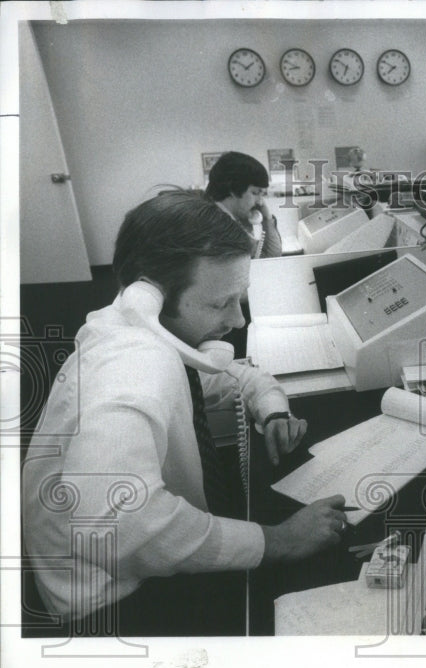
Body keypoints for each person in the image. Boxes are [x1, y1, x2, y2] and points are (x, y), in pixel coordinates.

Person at [21, 190, 346, 635]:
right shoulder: (131, 368)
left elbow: (234, 377)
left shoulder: (143, 331)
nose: (237, 321)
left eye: (239, 299)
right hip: (111, 602)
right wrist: (277, 541)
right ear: (147, 298)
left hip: (134, 564)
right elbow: (115, 523)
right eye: (219, 304)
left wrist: (271, 411)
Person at [205, 151, 283, 258]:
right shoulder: (219, 230)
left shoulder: (230, 220)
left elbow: (269, 259)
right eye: (255, 193)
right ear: (233, 189)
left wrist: (267, 219)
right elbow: (271, 259)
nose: (260, 202)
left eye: (262, 194)